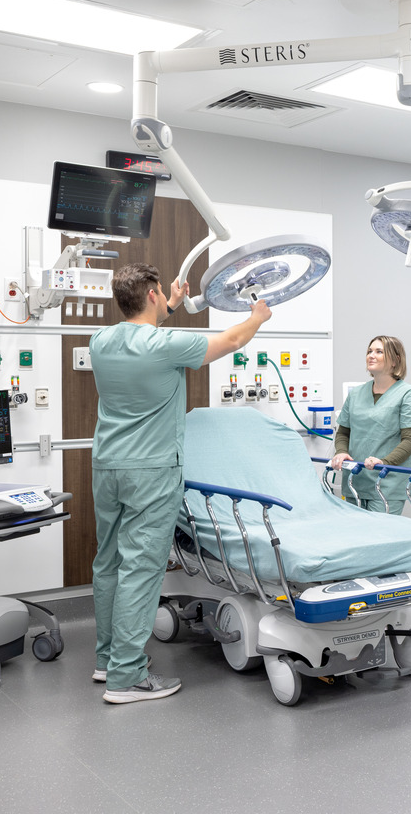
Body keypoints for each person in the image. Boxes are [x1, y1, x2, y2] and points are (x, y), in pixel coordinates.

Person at [89, 263, 271, 704]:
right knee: (141, 569)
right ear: (151, 295)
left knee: (110, 562)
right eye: (160, 297)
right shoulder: (165, 345)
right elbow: (232, 340)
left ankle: (109, 659)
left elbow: (145, 328)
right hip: (150, 471)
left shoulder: (101, 341)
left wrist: (169, 304)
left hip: (107, 466)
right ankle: (127, 678)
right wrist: (257, 317)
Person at [328, 336, 411, 515]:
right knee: (356, 538)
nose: (371, 355)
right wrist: (341, 451)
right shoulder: (357, 394)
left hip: (387, 482)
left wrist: (384, 462)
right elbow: (343, 432)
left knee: (381, 538)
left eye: (379, 352)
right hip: (355, 481)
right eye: (369, 351)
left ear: (396, 360)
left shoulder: (408, 395)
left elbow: (410, 441)